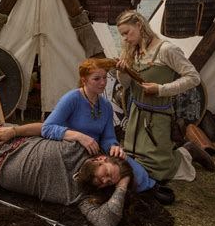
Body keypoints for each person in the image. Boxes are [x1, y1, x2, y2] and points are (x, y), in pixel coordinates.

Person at [0, 122, 134, 226]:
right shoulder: (80, 146)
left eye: (109, 183)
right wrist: (12, 131)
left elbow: (105, 224)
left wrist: (122, 184)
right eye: (107, 174)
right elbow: (45, 128)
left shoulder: (82, 196)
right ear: (100, 159)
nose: (105, 181)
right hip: (1, 144)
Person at [115, 10, 215, 182]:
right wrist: (122, 72)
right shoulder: (133, 51)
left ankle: (187, 152)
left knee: (157, 168)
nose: (125, 38)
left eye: (127, 32)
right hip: (136, 115)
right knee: (133, 159)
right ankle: (185, 150)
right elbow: (125, 85)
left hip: (158, 116)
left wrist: (161, 89)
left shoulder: (167, 50)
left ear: (139, 25)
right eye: (122, 34)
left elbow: (193, 78)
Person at [40, 58, 156, 193]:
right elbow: (46, 128)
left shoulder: (105, 105)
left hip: (97, 153)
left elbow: (108, 137)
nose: (102, 83)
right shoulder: (72, 99)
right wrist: (78, 136)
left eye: (104, 78)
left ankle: (148, 189)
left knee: (137, 171)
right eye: (96, 79)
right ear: (84, 80)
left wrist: (114, 147)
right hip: (74, 153)